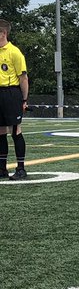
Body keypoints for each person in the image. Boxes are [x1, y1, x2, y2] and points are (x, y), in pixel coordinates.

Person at [0, 19, 28, 180]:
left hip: (11, 93)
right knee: (0, 132)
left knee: (15, 131)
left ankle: (21, 168)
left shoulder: (15, 52)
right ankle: (2, 168)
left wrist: (24, 99)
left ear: (3, 33)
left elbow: (23, 78)